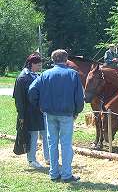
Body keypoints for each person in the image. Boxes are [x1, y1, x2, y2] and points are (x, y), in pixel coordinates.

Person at [28, 49, 84, 182]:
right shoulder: (73, 74)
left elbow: (32, 90)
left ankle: (53, 174)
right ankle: (66, 174)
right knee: (66, 144)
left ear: (53, 60)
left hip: (50, 114)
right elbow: (79, 97)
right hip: (66, 114)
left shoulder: (45, 74)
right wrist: (76, 111)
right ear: (66, 59)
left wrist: (39, 106)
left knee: (52, 144)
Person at [13, 52, 49, 168]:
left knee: (45, 134)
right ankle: (31, 160)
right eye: (38, 65)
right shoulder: (22, 78)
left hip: (40, 111)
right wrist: (22, 116)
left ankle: (48, 158)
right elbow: (19, 99)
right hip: (30, 112)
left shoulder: (35, 75)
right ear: (31, 64)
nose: (40, 67)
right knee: (33, 136)